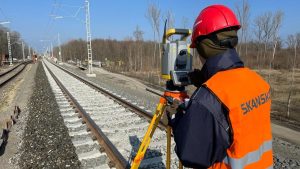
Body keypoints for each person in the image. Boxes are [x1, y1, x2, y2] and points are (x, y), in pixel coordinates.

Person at [165, 4, 273, 169]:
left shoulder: (209, 99)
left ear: (204, 47)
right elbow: (234, 112)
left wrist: (177, 117)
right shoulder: (258, 82)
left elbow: (190, 153)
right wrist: (206, 80)